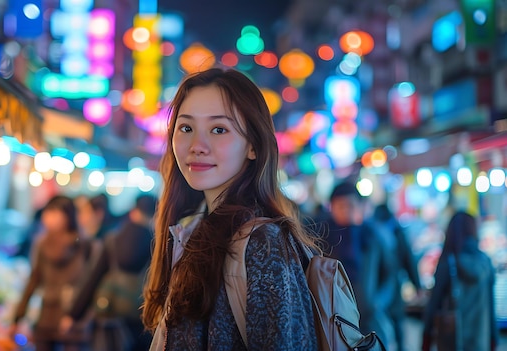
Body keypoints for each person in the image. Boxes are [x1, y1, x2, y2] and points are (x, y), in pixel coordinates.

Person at [141, 68, 318, 350]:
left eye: (219, 129)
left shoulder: (261, 244)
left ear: (253, 146)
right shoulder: (190, 231)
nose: (197, 146)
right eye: (186, 128)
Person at [59, 194, 157, 351]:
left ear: (133, 212)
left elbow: (93, 278)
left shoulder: (113, 239)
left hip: (109, 317)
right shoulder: (158, 243)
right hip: (143, 321)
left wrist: (73, 315)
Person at [10, 195, 92, 351]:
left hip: (74, 320)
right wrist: (18, 317)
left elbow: (89, 285)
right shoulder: (42, 244)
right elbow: (34, 280)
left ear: (68, 216)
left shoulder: (85, 245)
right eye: (48, 211)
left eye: (55, 212)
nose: (49, 217)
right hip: (46, 316)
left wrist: (76, 315)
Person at [320, 182, 395, 347]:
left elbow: (390, 275)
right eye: (340, 206)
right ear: (331, 207)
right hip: (334, 321)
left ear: (360, 206)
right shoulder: (321, 238)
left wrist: (377, 303)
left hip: (369, 319)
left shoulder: (373, 236)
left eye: (350, 205)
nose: (346, 210)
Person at [421, 211, 497, 351]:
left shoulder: (448, 263)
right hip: (481, 342)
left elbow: (434, 303)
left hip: (451, 341)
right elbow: (491, 307)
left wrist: (426, 339)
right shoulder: (486, 263)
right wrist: (493, 340)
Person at [372, 203, 421, 351]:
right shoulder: (397, 231)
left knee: (379, 324)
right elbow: (408, 260)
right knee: (396, 323)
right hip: (393, 284)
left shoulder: (373, 232)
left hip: (376, 287)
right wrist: (417, 285)